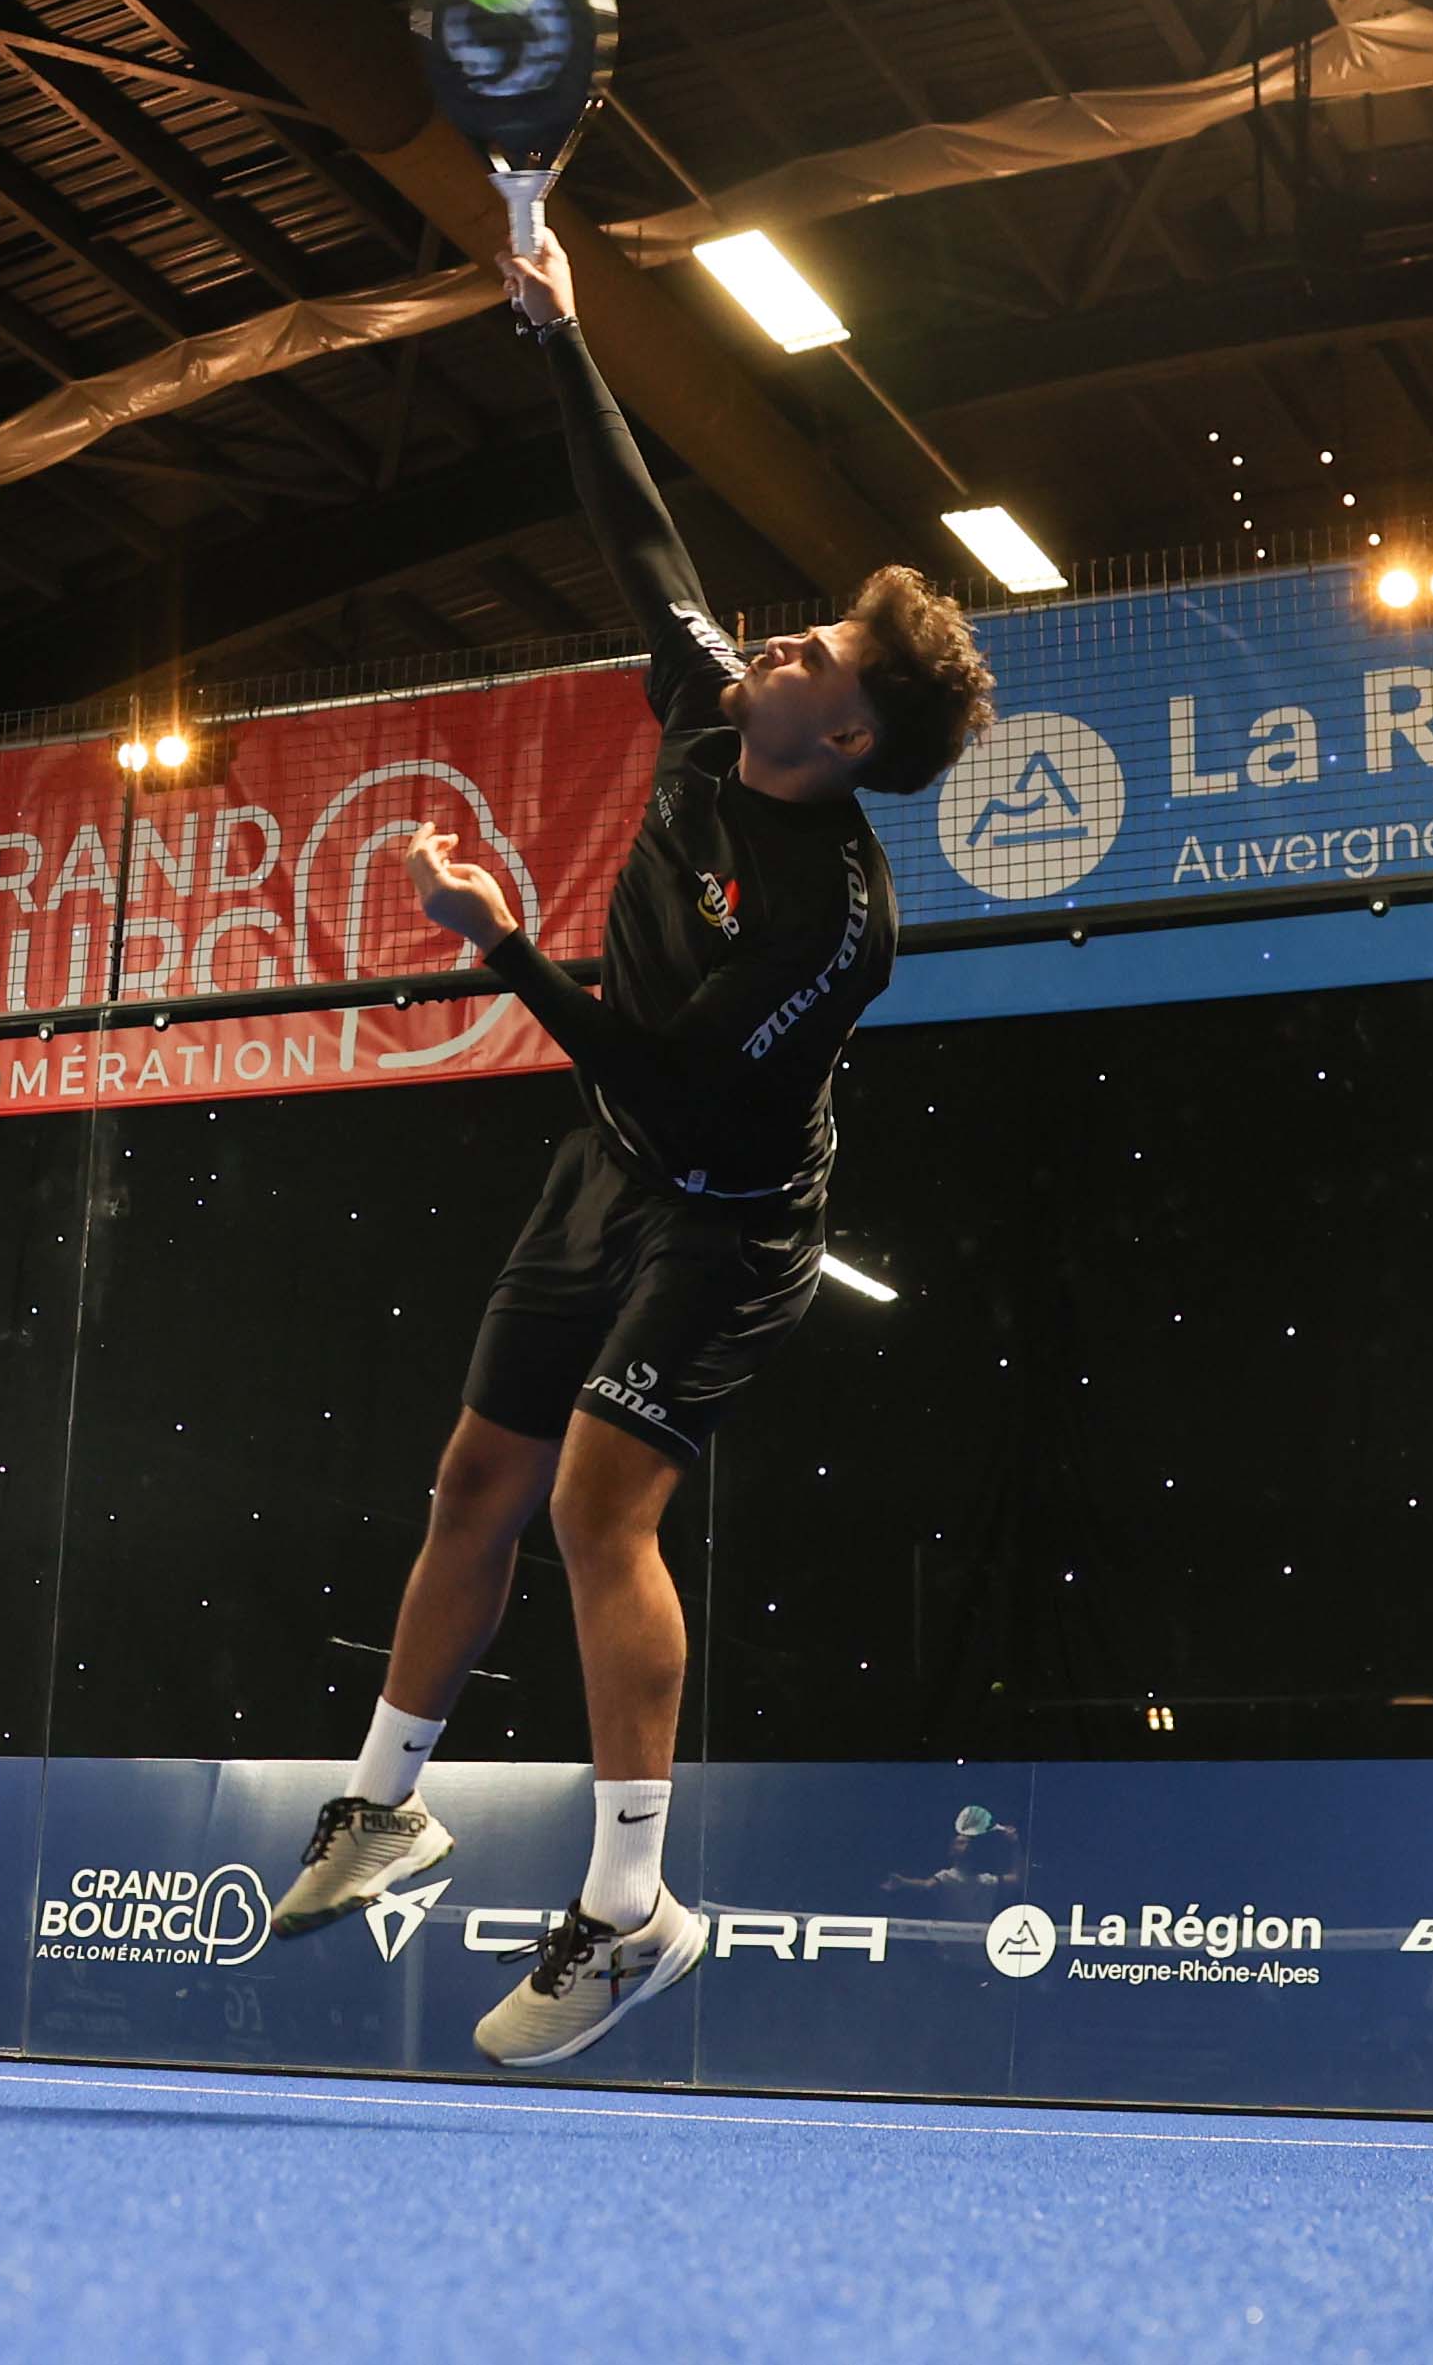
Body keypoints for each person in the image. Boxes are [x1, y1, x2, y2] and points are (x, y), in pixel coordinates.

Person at [269, 228, 995, 2068]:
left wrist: (502, 946)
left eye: (817, 650)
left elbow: (680, 1085)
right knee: (471, 1480)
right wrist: (561, 334)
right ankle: (383, 1803)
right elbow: (638, 531)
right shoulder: (710, 703)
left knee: (600, 1502)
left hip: (727, 1217)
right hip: (604, 1164)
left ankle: (629, 1910)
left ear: (844, 733)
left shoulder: (833, 922)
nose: (776, 636)